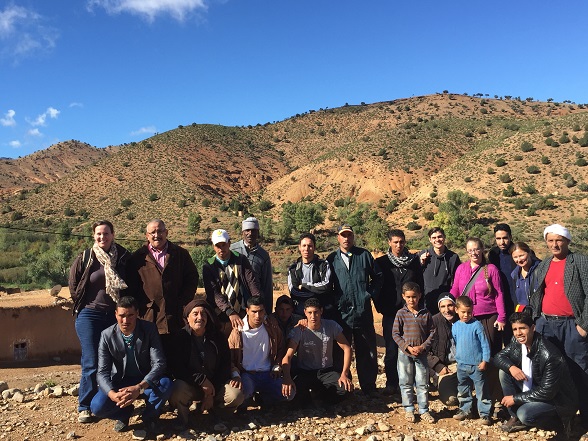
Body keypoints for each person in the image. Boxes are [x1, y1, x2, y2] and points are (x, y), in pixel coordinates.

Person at [68, 220, 130, 423]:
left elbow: (131, 283)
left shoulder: (122, 256)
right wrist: (82, 304)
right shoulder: (86, 257)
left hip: (114, 316)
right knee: (91, 361)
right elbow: (74, 283)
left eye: (105, 233)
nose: (102, 237)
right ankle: (84, 406)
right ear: (93, 236)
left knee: (114, 361)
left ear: (113, 234)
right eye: (98, 234)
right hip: (89, 315)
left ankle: (108, 401)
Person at [530, 224, 588, 437]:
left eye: (559, 240)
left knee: (579, 371)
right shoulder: (544, 264)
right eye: (550, 240)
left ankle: (585, 419)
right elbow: (539, 293)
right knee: (551, 372)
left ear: (567, 241)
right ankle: (561, 419)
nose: (554, 244)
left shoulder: (580, 261)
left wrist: (584, 325)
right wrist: (536, 319)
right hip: (547, 324)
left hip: (573, 325)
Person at [90, 297, 173, 433]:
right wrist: (112, 394)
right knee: (97, 407)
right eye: (122, 316)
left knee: (166, 384)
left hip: (144, 381)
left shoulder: (149, 329)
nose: (125, 321)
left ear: (137, 314)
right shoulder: (106, 335)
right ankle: (124, 414)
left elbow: (159, 363)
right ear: (115, 314)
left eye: (130, 315)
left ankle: (149, 417)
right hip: (120, 382)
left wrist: (139, 387)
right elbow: (102, 372)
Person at [494, 311, 578, 436]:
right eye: (515, 329)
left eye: (522, 328)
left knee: (525, 414)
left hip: (557, 400)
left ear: (533, 328)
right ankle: (515, 417)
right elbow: (498, 357)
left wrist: (515, 398)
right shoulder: (517, 342)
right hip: (535, 387)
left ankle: (561, 423)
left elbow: (547, 392)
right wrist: (511, 367)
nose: (518, 333)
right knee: (504, 372)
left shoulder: (549, 354)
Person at [168, 299, 244, 430]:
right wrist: (202, 381)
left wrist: (210, 392)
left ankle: (217, 413)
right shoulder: (179, 337)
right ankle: (184, 419)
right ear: (187, 317)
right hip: (191, 385)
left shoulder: (218, 337)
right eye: (195, 314)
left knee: (236, 395)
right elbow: (177, 368)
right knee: (177, 388)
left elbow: (224, 367)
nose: (199, 318)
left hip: (214, 386)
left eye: (203, 314)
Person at [127, 219, 199, 356]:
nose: (156, 235)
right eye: (152, 232)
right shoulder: (137, 258)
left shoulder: (180, 254)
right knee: (152, 358)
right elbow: (131, 288)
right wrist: (140, 308)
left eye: (160, 231)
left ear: (166, 232)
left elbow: (192, 278)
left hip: (176, 317)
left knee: (176, 358)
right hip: (149, 317)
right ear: (146, 235)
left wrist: (183, 302)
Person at [327, 224, 383, 397]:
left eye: (349, 235)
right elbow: (328, 286)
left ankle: (369, 387)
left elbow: (378, 277)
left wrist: (369, 294)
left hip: (363, 312)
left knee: (366, 350)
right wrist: (335, 302)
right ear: (338, 237)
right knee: (341, 351)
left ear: (353, 237)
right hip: (341, 314)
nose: (346, 239)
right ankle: (345, 387)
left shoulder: (364, 255)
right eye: (343, 235)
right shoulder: (331, 259)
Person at [374, 229, 423, 396]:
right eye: (395, 242)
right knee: (391, 349)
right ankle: (391, 383)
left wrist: (418, 308)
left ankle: (413, 382)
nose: (399, 245)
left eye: (401, 242)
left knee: (413, 346)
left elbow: (420, 285)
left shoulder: (414, 261)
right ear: (389, 242)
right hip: (390, 312)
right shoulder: (381, 262)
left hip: (410, 312)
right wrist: (380, 306)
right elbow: (376, 287)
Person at [281, 298, 354, 406]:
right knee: (292, 395)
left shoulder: (331, 326)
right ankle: (312, 398)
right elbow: (288, 356)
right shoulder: (298, 330)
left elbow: (347, 348)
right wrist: (287, 378)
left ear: (321, 311)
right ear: (305, 312)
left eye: (316, 312)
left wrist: (344, 374)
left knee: (345, 390)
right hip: (305, 371)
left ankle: (321, 396)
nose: (313, 316)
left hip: (326, 371)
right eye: (310, 313)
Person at [227, 296, 293, 406]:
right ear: (247, 311)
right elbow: (229, 357)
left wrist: (277, 366)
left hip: (268, 373)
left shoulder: (272, 327)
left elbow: (281, 348)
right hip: (247, 374)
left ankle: (262, 398)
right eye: (254, 312)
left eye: (261, 311)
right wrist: (235, 375)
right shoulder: (237, 332)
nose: (258, 315)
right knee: (239, 395)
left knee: (289, 394)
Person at [450, 237, 506, 356]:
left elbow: (498, 294)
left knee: (490, 350)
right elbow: (455, 289)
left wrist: (502, 317)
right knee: (472, 349)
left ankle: (492, 374)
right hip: (467, 316)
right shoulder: (461, 268)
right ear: (466, 252)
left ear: (482, 249)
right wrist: (448, 303)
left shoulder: (491, 269)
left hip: (489, 317)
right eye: (470, 250)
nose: (473, 253)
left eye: (476, 249)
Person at [203, 229, 262, 336]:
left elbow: (251, 282)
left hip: (241, 312)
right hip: (220, 314)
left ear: (229, 243)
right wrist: (230, 312)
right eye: (218, 246)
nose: (221, 249)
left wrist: (257, 303)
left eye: (224, 244)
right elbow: (214, 293)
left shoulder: (240, 259)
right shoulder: (209, 266)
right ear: (213, 246)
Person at [392, 282, 436, 423]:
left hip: (421, 354)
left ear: (419, 296)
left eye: (414, 297)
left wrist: (423, 347)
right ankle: (409, 409)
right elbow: (395, 333)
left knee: (422, 383)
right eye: (409, 297)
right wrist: (406, 347)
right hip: (405, 354)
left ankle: (423, 410)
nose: (412, 300)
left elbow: (432, 332)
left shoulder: (426, 314)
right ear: (403, 296)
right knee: (405, 382)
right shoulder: (401, 314)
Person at [452, 295, 492, 425]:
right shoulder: (455, 326)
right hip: (462, 365)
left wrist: (485, 360)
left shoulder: (477, 325)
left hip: (477, 365)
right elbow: (457, 342)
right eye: (463, 312)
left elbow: (485, 344)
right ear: (456, 310)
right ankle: (465, 410)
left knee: (481, 391)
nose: (466, 315)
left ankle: (484, 414)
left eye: (469, 312)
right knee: (463, 389)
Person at [230, 217, 273, 315]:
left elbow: (267, 286)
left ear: (257, 233)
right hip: (235, 302)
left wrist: (267, 313)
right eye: (247, 230)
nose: (250, 233)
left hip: (255, 304)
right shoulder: (232, 250)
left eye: (253, 230)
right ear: (242, 232)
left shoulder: (263, 255)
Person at [288, 233, 336, 318]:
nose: (306, 249)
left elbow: (326, 286)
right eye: (304, 245)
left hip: (322, 314)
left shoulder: (323, 265)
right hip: (300, 315)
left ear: (314, 247)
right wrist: (315, 294)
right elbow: (293, 292)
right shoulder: (293, 268)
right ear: (299, 247)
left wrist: (304, 286)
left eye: (310, 246)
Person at [419, 227, 461, 315]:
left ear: (444, 237)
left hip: (445, 301)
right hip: (426, 300)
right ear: (430, 239)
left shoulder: (453, 257)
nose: (437, 240)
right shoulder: (424, 255)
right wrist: (420, 263)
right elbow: (416, 275)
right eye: (434, 238)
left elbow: (457, 280)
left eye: (440, 237)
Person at [427, 293, 458, 405]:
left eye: (450, 305)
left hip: (464, 365)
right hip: (445, 368)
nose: (447, 310)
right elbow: (425, 351)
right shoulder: (433, 322)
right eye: (443, 307)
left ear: (456, 306)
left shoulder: (464, 320)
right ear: (439, 308)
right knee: (450, 400)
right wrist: (438, 367)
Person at [488, 224, 517, 344]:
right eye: (498, 239)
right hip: (500, 302)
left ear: (510, 236)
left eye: (505, 238)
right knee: (505, 337)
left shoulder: (518, 251)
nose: (502, 242)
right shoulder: (493, 254)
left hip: (517, 301)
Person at [510, 242, 541, 308]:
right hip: (524, 313)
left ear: (529, 253)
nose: (519, 260)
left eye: (521, 255)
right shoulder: (515, 275)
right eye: (515, 257)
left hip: (540, 314)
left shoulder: (541, 270)